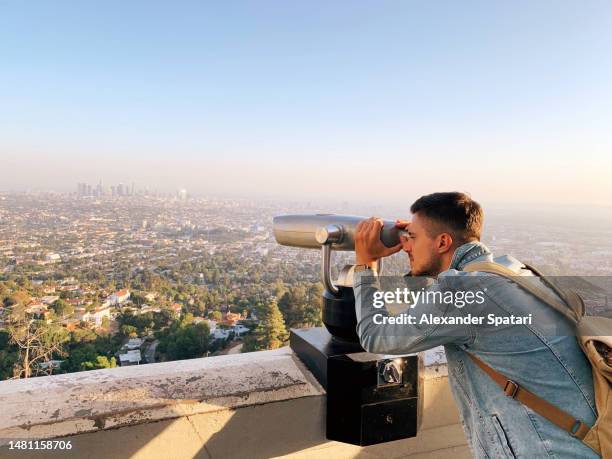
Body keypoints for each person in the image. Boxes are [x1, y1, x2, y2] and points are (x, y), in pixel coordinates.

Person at [353, 192, 597, 458]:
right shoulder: (509, 271)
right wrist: (416, 239)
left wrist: (366, 264)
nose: (405, 246)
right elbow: (430, 311)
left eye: (411, 238)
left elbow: (376, 335)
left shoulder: (463, 291)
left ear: (443, 241)